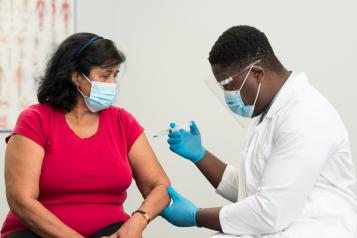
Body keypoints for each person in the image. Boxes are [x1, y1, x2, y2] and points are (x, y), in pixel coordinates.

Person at [160, 25, 357, 238]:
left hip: (317, 230)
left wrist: (196, 217)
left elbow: (268, 211)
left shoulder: (305, 115)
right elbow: (252, 190)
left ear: (257, 74)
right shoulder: (268, 114)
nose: (228, 95)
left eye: (229, 85)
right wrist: (200, 155)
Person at [1, 33, 170, 238]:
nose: (112, 84)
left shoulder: (122, 121)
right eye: (105, 75)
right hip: (36, 233)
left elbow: (159, 186)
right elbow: (21, 200)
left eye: (115, 75)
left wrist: (138, 220)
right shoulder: (35, 120)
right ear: (76, 76)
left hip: (109, 231)